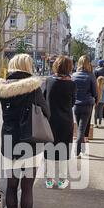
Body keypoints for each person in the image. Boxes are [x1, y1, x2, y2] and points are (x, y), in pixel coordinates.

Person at [0, 54, 50, 208]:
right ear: (27, 66)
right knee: (27, 187)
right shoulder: (33, 87)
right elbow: (45, 112)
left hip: (9, 140)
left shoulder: (3, 88)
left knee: (11, 186)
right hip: (29, 141)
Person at [44, 55, 76, 190]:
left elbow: (43, 98)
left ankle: (50, 181)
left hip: (50, 120)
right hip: (65, 121)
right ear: (69, 68)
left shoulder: (49, 81)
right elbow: (73, 102)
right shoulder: (72, 84)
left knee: (49, 149)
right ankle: (63, 180)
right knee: (64, 150)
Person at [72, 55, 98, 158]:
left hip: (76, 105)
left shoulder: (73, 75)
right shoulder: (90, 76)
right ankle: (77, 151)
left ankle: (82, 150)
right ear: (88, 64)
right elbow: (95, 92)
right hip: (87, 104)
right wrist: (95, 99)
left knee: (79, 127)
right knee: (81, 129)